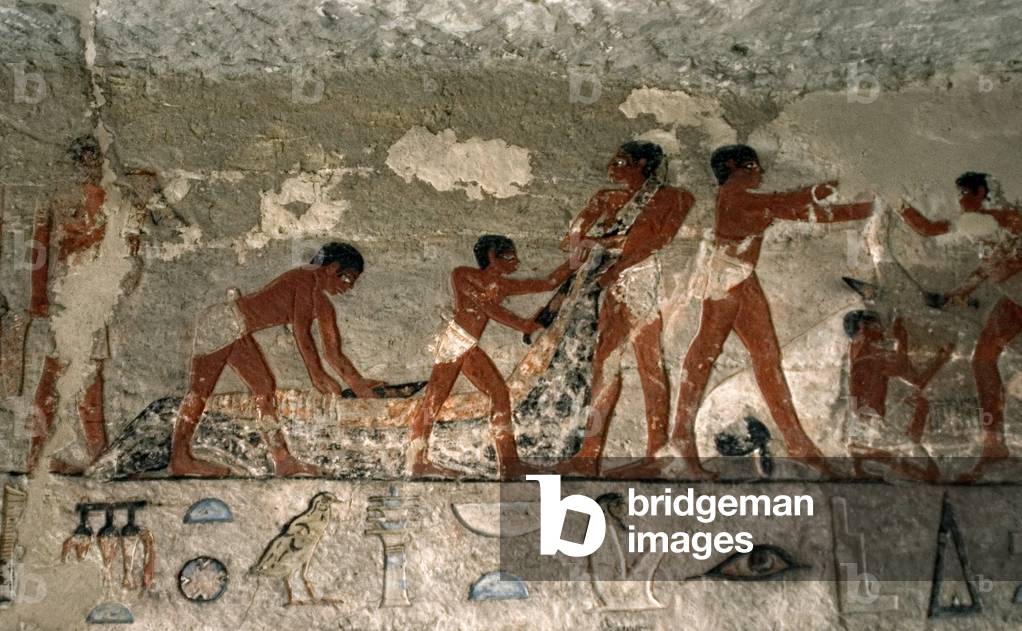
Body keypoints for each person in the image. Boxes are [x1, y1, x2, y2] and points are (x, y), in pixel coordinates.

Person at [671, 144, 874, 478]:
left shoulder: (747, 197)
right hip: (726, 278)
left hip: (740, 278)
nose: (760, 171)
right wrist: (837, 193)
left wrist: (856, 205)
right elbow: (790, 205)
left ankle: (797, 442)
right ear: (735, 165)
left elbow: (801, 210)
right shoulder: (735, 194)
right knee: (707, 353)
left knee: (763, 357)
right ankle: (681, 435)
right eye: (754, 165)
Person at [170, 242, 383, 477]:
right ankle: (180, 458)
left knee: (264, 386)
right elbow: (301, 333)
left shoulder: (322, 303)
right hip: (220, 322)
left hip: (236, 328)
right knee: (200, 391)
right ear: (332, 268)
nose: (350, 287)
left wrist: (360, 386)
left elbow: (334, 353)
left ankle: (282, 460)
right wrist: (317, 374)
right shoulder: (306, 278)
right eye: (348, 278)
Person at [551, 141, 694, 477]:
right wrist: (591, 240)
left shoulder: (673, 197)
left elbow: (657, 241)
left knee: (648, 361)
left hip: (638, 276)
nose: (611, 167)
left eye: (620, 161)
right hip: (608, 279)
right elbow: (570, 241)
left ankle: (656, 454)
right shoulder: (606, 197)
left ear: (642, 164)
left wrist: (610, 252)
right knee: (606, 362)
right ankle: (589, 455)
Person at [407, 235, 571, 479]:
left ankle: (509, 464)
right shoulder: (463, 274)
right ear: (493, 257)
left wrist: (575, 263)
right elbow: (487, 307)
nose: (516, 262)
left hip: (467, 344)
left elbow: (548, 283)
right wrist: (524, 324)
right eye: (510, 257)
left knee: (498, 394)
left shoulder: (503, 286)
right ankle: (418, 461)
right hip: (454, 340)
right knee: (433, 400)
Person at [901, 172, 1022, 481]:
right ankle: (994, 447)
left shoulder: (1003, 217)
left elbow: (927, 229)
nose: (960, 202)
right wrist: (959, 292)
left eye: (964, 195)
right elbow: (988, 261)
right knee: (982, 360)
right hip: (1014, 299)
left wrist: (892, 196)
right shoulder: (982, 223)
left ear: (981, 192)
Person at [844, 310, 952, 481]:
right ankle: (880, 455)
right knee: (930, 475)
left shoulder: (853, 350)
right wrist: (903, 339)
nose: (882, 331)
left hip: (860, 426)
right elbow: (917, 379)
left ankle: (872, 454)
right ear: (863, 327)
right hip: (873, 428)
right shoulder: (872, 355)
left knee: (918, 405)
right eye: (878, 326)